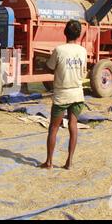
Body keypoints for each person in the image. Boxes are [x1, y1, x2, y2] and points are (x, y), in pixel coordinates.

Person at [41, 20, 87, 170]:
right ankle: (69, 162)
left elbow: (49, 67)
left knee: (53, 128)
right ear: (79, 35)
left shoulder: (59, 50)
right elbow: (83, 71)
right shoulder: (82, 51)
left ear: (65, 33)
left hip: (62, 95)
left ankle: (49, 162)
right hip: (78, 94)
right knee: (73, 126)